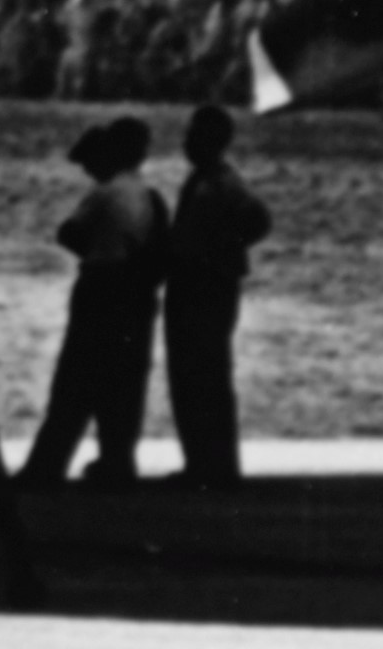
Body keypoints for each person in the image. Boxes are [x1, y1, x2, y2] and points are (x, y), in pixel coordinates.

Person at [24, 115, 170, 484]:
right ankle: (116, 461)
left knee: (75, 378)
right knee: (124, 382)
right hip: (135, 292)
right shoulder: (148, 196)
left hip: (101, 284)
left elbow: (68, 233)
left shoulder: (103, 193)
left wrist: (96, 248)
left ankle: (47, 466)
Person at [160, 102, 266, 493]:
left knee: (202, 376)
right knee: (197, 378)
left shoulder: (221, 184)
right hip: (198, 286)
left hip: (205, 289)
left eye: (193, 135)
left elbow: (258, 220)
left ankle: (212, 467)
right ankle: (204, 463)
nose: (186, 142)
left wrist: (216, 253)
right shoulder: (208, 180)